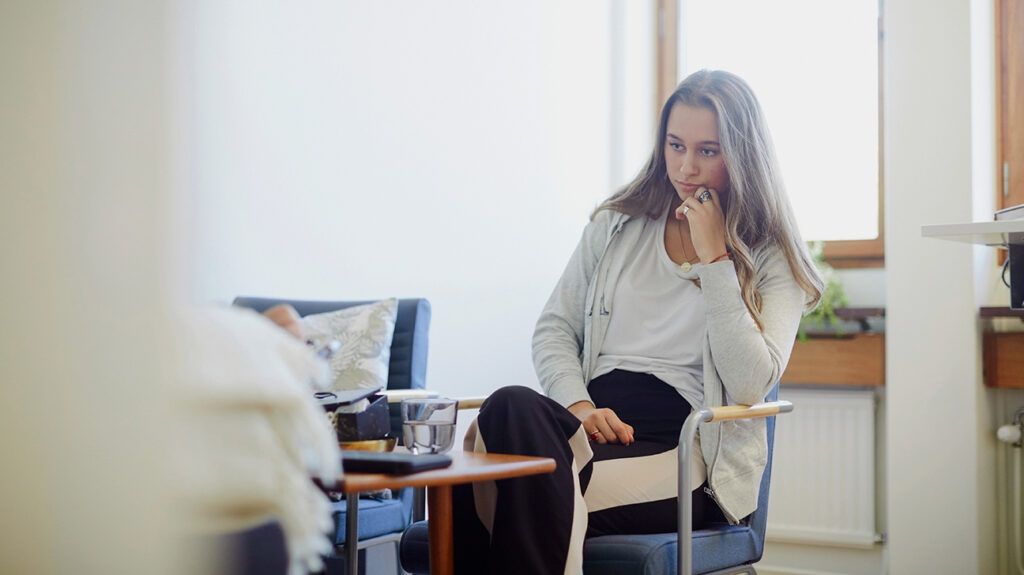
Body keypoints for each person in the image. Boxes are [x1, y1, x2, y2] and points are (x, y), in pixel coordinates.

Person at [450, 69, 825, 575]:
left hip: (683, 448)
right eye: (675, 145)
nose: (686, 167)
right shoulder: (616, 225)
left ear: (742, 155)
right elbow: (554, 329)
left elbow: (750, 384)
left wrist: (717, 260)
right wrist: (580, 406)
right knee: (508, 406)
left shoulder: (772, 254)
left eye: (708, 151)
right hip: (588, 430)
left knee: (507, 487)